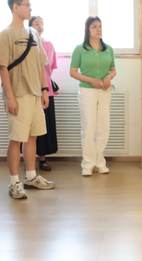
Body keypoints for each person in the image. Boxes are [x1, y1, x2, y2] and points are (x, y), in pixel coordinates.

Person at [0, 0, 54, 199]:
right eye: (26, 5)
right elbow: (2, 67)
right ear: (15, 7)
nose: (30, 9)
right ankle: (14, 182)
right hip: (18, 95)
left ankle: (31, 176)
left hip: (35, 94)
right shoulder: (5, 34)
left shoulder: (33, 33)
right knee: (16, 139)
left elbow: (40, 64)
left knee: (32, 136)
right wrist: (10, 97)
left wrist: (44, 90)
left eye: (30, 5)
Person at [69, 16, 116, 177]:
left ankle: (100, 162)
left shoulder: (108, 49)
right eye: (94, 26)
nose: (98, 29)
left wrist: (109, 77)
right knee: (88, 126)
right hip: (87, 91)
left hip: (105, 92)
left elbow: (113, 70)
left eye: (100, 26)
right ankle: (88, 163)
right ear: (88, 30)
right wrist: (91, 80)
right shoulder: (79, 49)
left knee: (103, 126)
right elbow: (73, 72)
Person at [31, 15, 58, 171]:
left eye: (41, 24)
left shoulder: (48, 45)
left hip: (46, 90)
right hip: (30, 90)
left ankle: (43, 159)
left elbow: (50, 69)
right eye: (36, 24)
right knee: (30, 126)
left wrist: (45, 87)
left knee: (45, 126)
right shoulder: (26, 44)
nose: (40, 26)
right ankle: (29, 159)